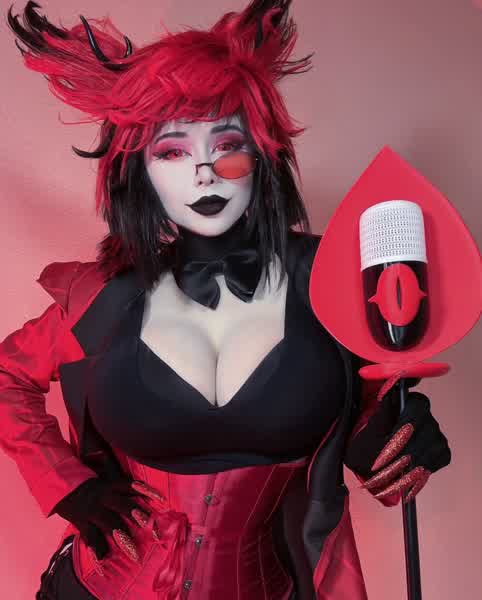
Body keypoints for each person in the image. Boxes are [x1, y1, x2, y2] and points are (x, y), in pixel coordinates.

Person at [2, 1, 451, 599]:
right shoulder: (100, 298)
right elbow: (7, 374)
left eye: (228, 143)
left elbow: (368, 425)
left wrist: (397, 441)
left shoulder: (330, 283)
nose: (205, 172)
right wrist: (69, 485)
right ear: (138, 172)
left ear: (264, 157)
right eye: (173, 151)